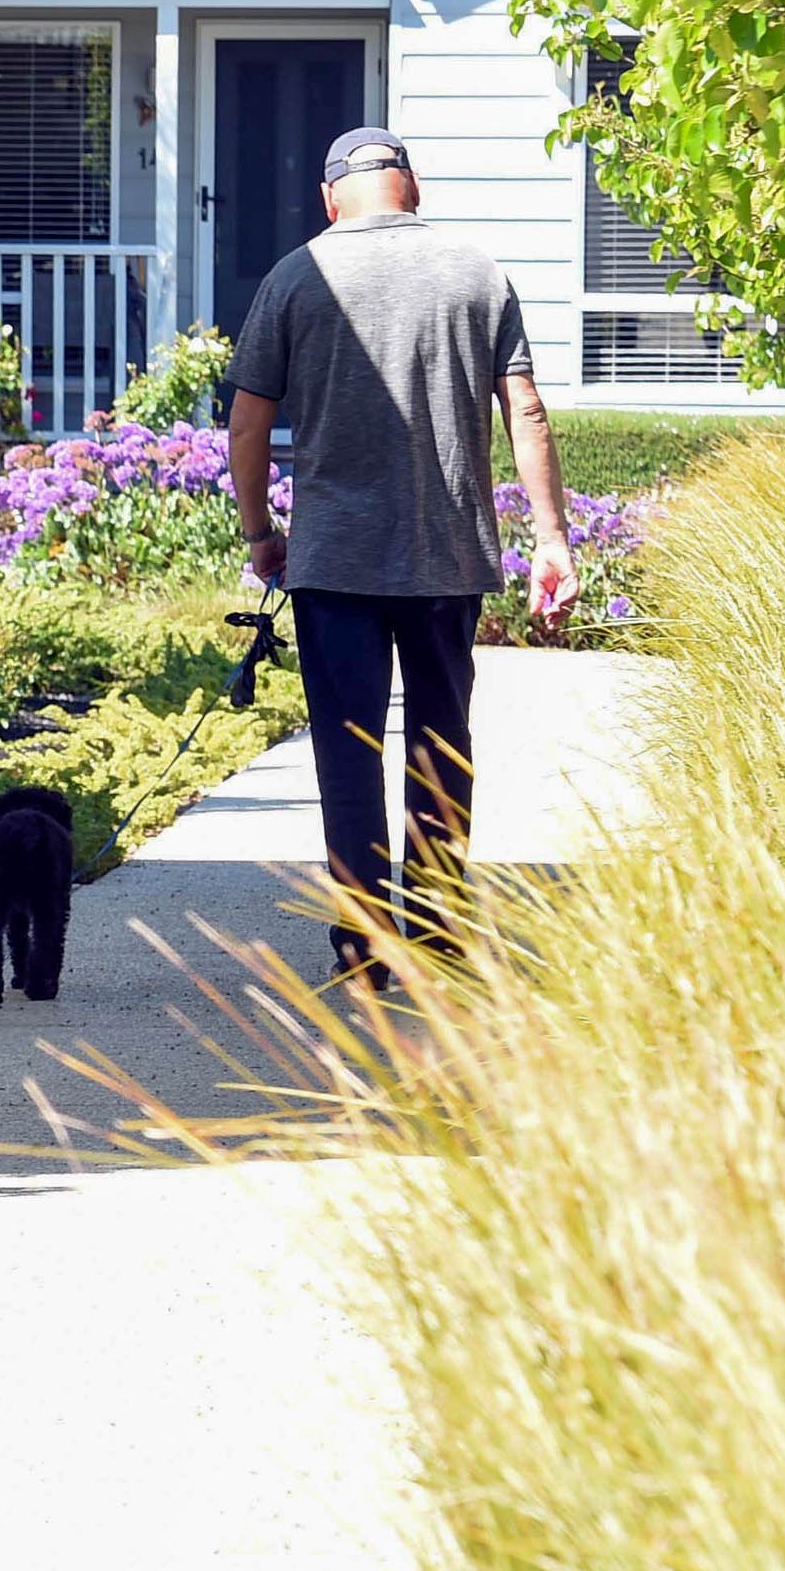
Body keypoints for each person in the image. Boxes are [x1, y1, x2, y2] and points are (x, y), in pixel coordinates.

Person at [226, 125, 578, 989]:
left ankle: (364, 948)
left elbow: (247, 422)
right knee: (440, 739)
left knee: (347, 750)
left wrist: (259, 534)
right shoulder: (477, 273)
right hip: (447, 556)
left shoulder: (294, 276)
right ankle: (439, 934)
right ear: (410, 186)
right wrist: (551, 539)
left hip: (334, 561)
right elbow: (524, 412)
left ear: (330, 195)